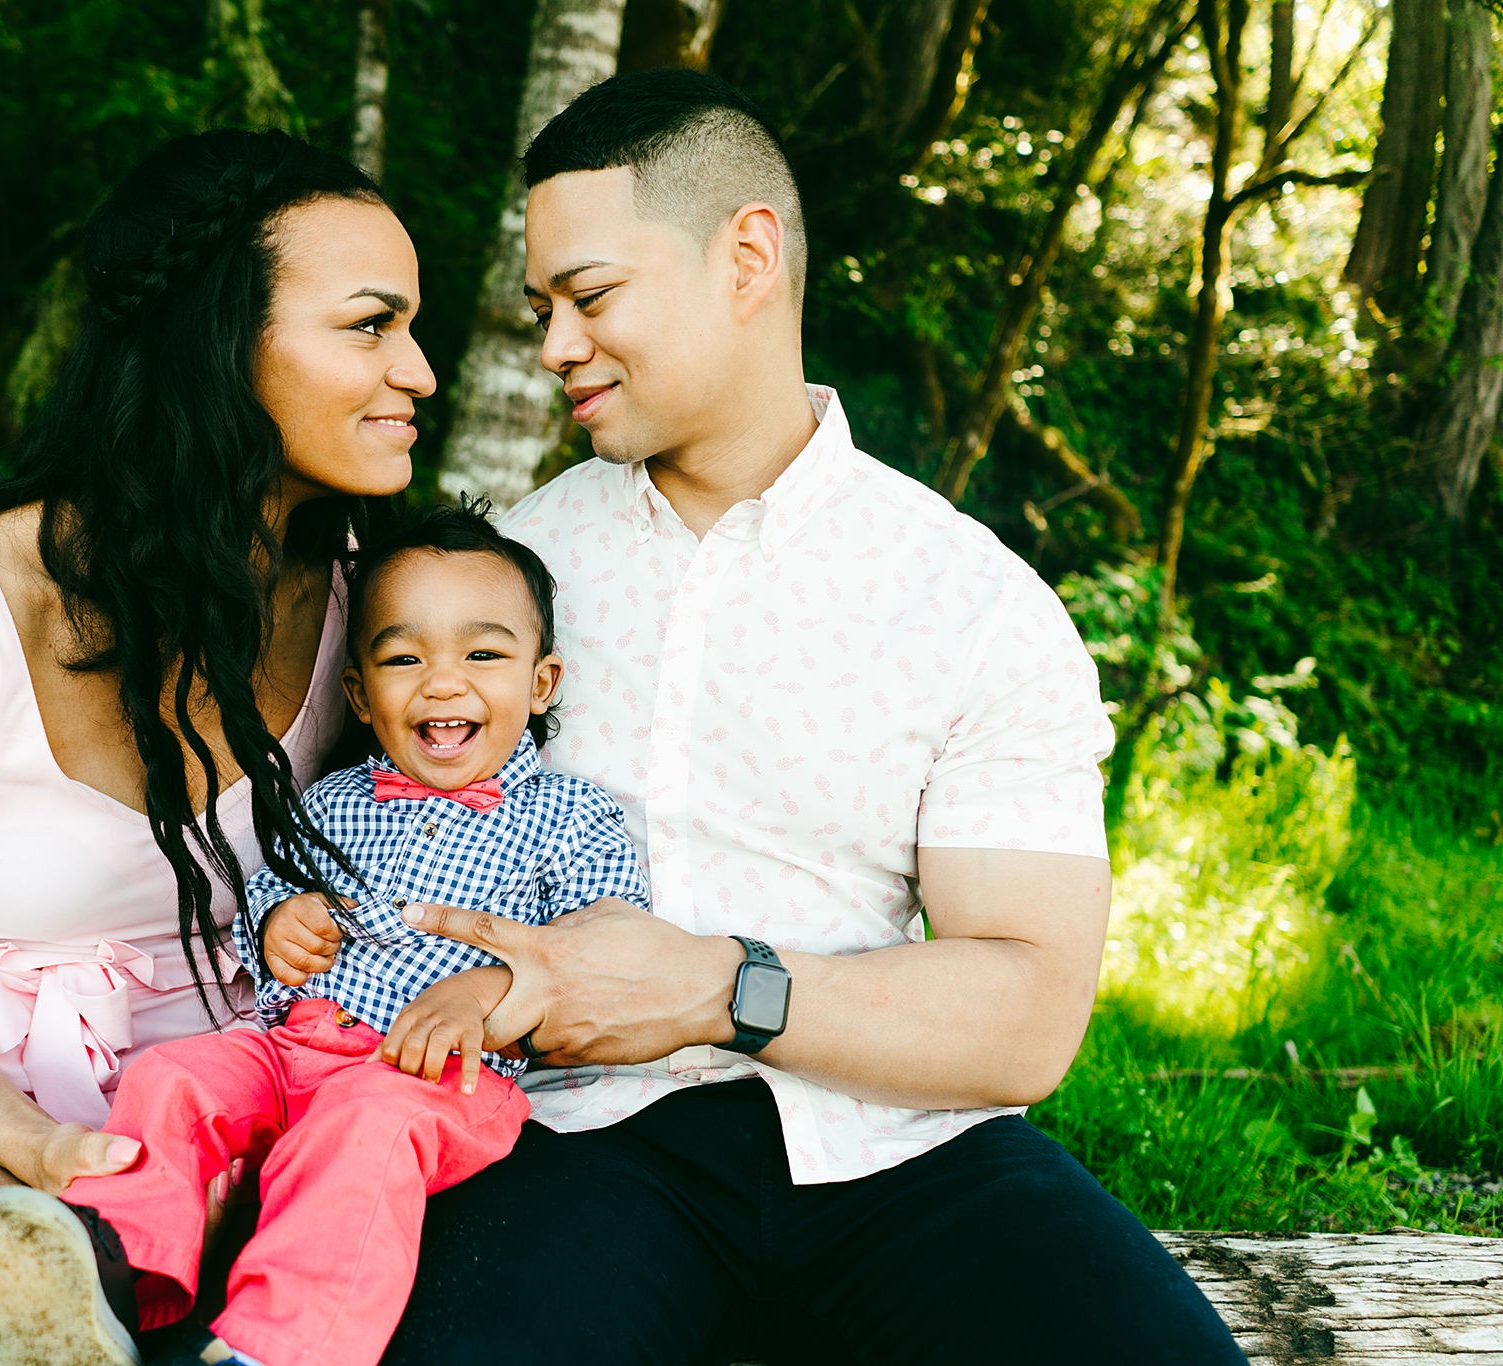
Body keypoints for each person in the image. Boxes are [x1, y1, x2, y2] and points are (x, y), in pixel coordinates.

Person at [384, 71, 1247, 1364]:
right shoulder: (502, 582)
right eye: (541, 306)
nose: (553, 344)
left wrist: (721, 987)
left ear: (748, 256)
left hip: (894, 1147)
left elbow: (1028, 1013)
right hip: (570, 1150)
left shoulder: (972, 602)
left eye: (593, 296)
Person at [0, 128, 435, 1366]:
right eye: (370, 325)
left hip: (272, 1098)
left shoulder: (369, 604)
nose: (419, 369)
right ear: (216, 343)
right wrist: (42, 1152)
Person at [0, 502, 649, 1366]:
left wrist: (489, 992)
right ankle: (114, 1274)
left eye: (483, 655)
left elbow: (601, 945)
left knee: (363, 1130)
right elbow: (275, 885)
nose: (443, 682)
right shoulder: (333, 799)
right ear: (360, 694)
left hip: (432, 1081)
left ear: (540, 683)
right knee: (176, 1076)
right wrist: (280, 923)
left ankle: (281, 1347)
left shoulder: (570, 816)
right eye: (403, 658)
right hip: (292, 1047)